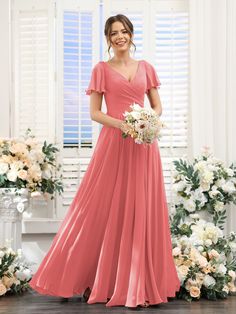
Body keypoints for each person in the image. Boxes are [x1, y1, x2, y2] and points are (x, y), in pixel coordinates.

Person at [29, 14, 181, 308]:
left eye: (124, 31)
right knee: (102, 208)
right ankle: (95, 279)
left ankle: (139, 282)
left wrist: (147, 121)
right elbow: (95, 114)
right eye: (114, 33)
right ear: (108, 39)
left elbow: (157, 105)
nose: (119, 37)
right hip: (114, 144)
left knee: (141, 209)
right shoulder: (101, 69)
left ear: (131, 34)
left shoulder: (146, 67)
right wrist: (124, 125)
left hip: (143, 146)